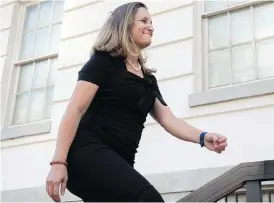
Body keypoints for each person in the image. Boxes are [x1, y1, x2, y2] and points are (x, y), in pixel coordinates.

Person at [46, 2, 228, 202]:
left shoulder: (148, 80)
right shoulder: (103, 62)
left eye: (151, 22)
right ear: (124, 25)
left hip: (120, 162)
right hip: (88, 154)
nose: (151, 26)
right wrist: (58, 162)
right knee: (148, 199)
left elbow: (170, 120)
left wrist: (203, 137)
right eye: (143, 21)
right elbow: (75, 109)